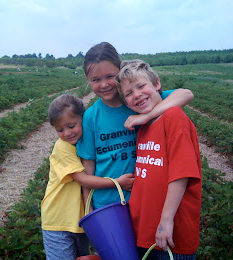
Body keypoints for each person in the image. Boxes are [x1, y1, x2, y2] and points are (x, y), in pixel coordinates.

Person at [76, 42, 194, 210]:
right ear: (88, 80)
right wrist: (89, 210)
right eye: (96, 80)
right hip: (107, 203)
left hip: (144, 199)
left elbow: (186, 94)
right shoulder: (91, 116)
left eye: (110, 76)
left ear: (119, 73)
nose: (104, 84)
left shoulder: (138, 102)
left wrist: (146, 115)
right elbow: (89, 168)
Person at [115, 59, 202, 260]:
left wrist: (166, 220)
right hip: (145, 232)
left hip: (172, 235)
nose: (136, 95)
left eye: (141, 86)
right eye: (128, 93)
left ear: (157, 83)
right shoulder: (144, 126)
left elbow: (182, 174)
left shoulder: (173, 117)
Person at [41, 94, 134, 260]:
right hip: (58, 221)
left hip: (77, 221)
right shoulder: (63, 148)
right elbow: (82, 179)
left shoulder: (85, 142)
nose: (67, 133)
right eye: (60, 130)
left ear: (83, 119)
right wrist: (117, 183)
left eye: (71, 126)